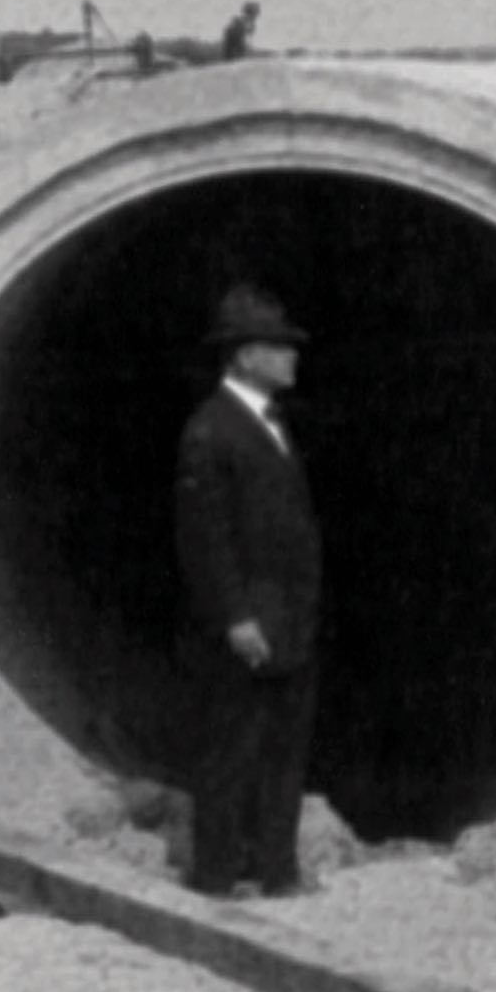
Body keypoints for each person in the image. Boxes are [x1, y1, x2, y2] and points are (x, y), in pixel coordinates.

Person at [171, 283, 322, 897]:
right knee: (232, 747)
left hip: (287, 615)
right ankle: (215, 874)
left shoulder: (268, 422)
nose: (292, 357)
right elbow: (204, 539)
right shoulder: (212, 431)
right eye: (277, 348)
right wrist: (235, 617)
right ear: (242, 358)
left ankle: (276, 869)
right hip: (250, 621)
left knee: (284, 748)